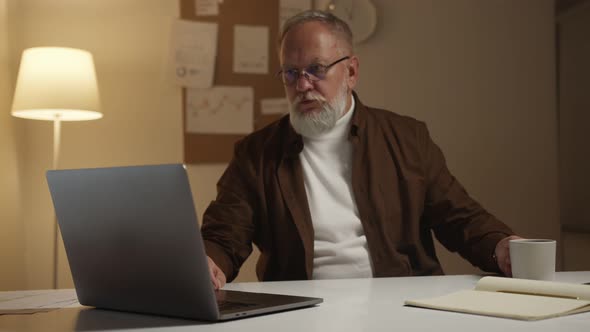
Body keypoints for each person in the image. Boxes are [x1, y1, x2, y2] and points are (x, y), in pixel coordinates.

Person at [201, 10, 521, 290]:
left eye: (316, 69)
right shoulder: (256, 153)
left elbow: (459, 217)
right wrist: (208, 264)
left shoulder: (407, 138)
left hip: (399, 304)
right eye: (291, 73)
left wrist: (501, 246)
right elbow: (224, 235)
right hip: (299, 309)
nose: (302, 86)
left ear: (351, 72)